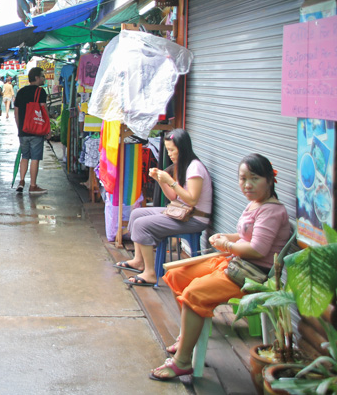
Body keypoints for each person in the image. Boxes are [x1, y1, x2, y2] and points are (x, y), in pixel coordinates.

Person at [149, 153, 291, 381]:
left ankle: (183, 362)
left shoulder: (273, 211)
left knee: (194, 293)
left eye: (254, 178)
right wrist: (228, 236)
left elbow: (258, 250)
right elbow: (248, 235)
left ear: (269, 180)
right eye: (243, 178)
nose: (247, 184)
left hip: (250, 275)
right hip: (235, 263)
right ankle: (187, 335)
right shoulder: (256, 204)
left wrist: (227, 244)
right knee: (177, 275)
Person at [116, 129, 213, 286]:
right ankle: (138, 261)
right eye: (168, 150)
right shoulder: (182, 166)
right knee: (137, 214)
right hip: (181, 212)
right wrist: (160, 180)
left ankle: (150, 273)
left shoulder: (195, 168)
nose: (169, 154)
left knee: (142, 224)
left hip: (194, 218)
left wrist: (171, 181)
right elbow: (174, 197)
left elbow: (193, 200)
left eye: (172, 150)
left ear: (183, 148)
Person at [14, 67, 48, 194]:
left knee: (25, 156)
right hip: (36, 130)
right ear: (36, 78)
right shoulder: (41, 92)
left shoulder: (21, 92)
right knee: (35, 158)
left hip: (23, 130)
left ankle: (21, 181)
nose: (44, 78)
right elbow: (43, 111)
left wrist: (19, 128)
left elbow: (16, 112)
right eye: (42, 76)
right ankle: (33, 185)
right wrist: (46, 128)